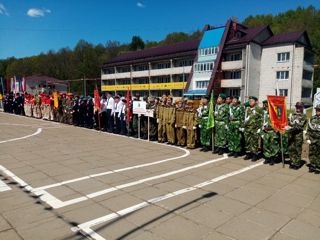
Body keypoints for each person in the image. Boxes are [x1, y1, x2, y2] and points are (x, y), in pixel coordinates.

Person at [285, 102, 307, 169]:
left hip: (298, 135)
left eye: (299, 107)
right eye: (297, 107)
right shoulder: (291, 115)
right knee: (291, 149)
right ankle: (292, 162)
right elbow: (288, 122)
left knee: (297, 149)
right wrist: (286, 126)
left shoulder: (303, 116)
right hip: (291, 135)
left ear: (302, 108)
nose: (298, 108)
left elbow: (300, 126)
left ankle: (297, 164)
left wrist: (290, 128)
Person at [260, 100, 280, 165]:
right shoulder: (263, 113)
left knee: (273, 145)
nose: (265, 107)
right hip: (265, 132)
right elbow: (261, 121)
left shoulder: (274, 113)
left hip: (272, 132)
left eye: (266, 106)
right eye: (265, 106)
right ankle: (267, 157)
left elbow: (277, 122)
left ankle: (272, 158)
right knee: (266, 145)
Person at [243, 96, 263, 161]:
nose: (250, 102)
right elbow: (245, 118)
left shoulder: (258, 109)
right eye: (250, 101)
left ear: (255, 102)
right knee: (247, 141)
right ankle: (248, 154)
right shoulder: (247, 109)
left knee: (254, 142)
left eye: (252, 101)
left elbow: (262, 119)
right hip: (247, 128)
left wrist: (260, 128)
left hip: (255, 129)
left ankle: (255, 155)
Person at [306, 104, 320, 173]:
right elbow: (308, 129)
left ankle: (318, 167)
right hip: (312, 139)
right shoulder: (312, 118)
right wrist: (307, 138)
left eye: (319, 110)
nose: (317, 111)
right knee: (312, 153)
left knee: (319, 153)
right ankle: (313, 166)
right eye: (317, 110)